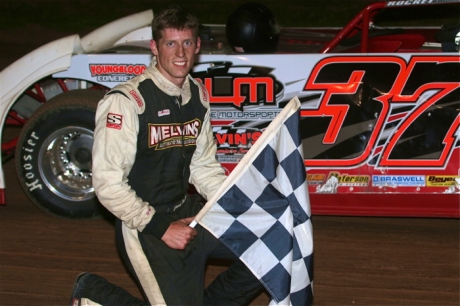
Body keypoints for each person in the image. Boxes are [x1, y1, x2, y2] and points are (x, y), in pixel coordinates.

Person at [70, 4, 263, 306]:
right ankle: (92, 291)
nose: (180, 53)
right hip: (146, 227)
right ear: (154, 48)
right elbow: (108, 185)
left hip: (189, 213)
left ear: (198, 45)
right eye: (170, 43)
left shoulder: (197, 94)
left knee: (267, 247)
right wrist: (161, 228)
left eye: (187, 42)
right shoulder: (127, 101)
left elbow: (203, 168)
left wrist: (238, 206)